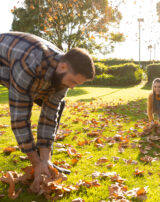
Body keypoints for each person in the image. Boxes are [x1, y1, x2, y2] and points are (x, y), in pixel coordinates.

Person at [0, 32, 95, 184]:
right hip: (9, 61)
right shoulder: (30, 61)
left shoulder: (62, 71)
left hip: (27, 68)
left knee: (59, 104)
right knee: (23, 102)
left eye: (76, 84)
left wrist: (45, 159)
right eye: (72, 81)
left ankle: (46, 162)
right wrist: (35, 163)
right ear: (63, 67)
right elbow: (20, 118)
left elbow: (50, 115)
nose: (72, 87)